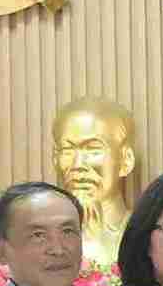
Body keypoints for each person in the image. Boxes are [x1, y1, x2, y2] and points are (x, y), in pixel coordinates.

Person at [52, 95, 139, 266]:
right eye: (68, 150)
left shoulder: (144, 238)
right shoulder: (40, 242)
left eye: (92, 149)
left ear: (126, 160)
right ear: (55, 159)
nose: (78, 164)